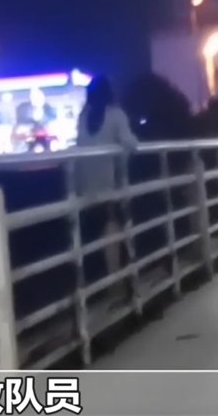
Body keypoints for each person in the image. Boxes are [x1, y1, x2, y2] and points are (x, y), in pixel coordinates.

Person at [74, 75, 138, 304]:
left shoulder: (83, 117)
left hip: (85, 188)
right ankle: (119, 286)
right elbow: (130, 143)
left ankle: (100, 289)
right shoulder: (115, 115)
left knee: (92, 241)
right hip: (110, 185)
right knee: (115, 231)